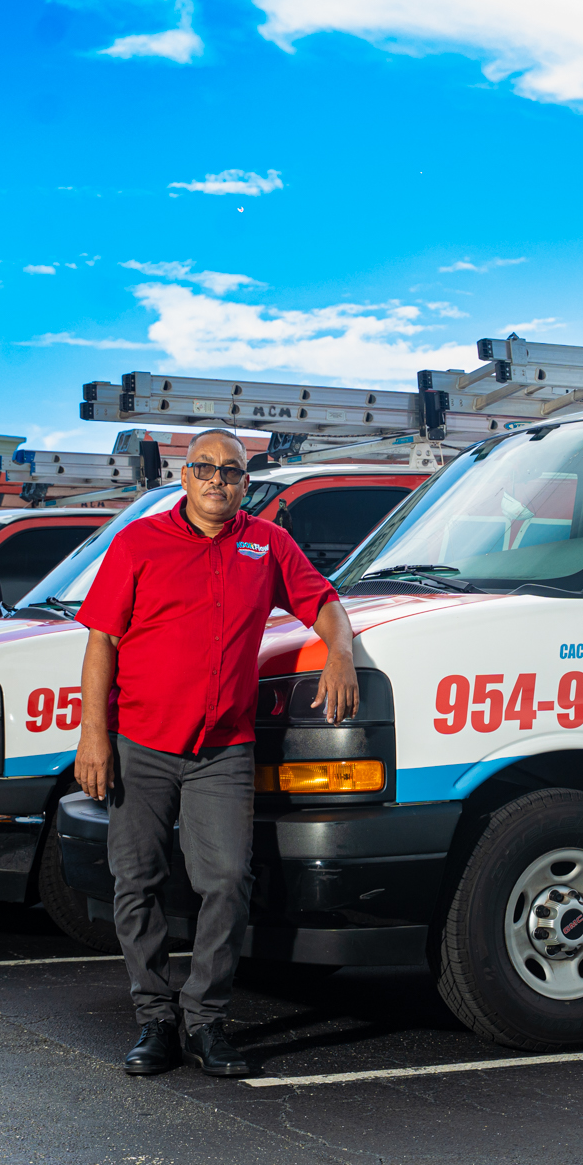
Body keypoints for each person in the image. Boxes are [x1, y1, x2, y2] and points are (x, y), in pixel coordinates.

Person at [74, 429, 358, 1078]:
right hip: (141, 741)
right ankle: (155, 1018)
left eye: (231, 472)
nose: (218, 481)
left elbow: (326, 604)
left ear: (244, 482)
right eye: (206, 469)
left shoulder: (267, 544)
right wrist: (94, 733)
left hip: (224, 749)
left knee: (227, 879)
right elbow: (101, 642)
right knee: (136, 879)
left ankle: (204, 1020)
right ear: (184, 476)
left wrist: (339, 651)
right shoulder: (138, 543)